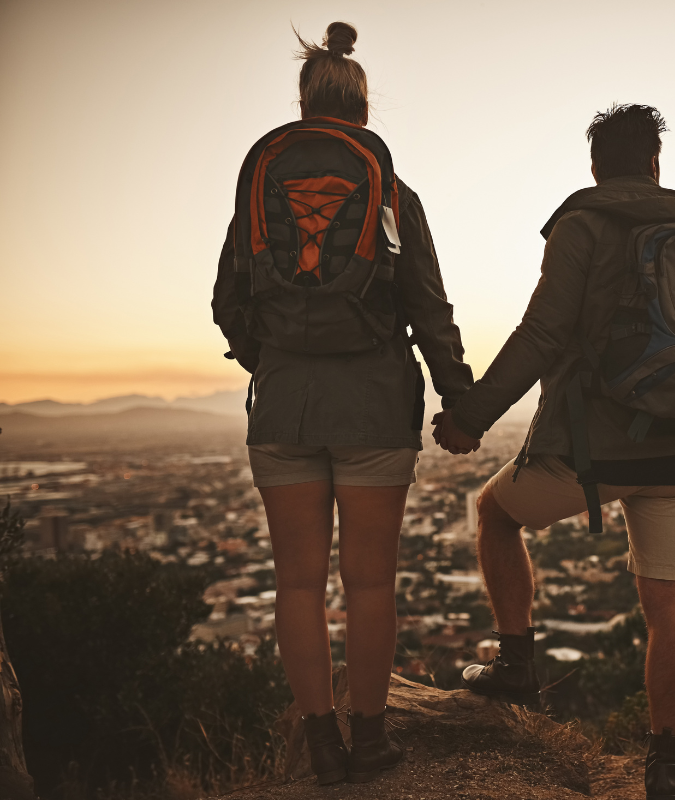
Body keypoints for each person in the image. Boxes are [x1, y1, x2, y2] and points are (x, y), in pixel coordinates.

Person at [435, 103, 675, 800]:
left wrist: (471, 417)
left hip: (593, 450)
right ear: (655, 164)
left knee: (495, 513)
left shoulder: (582, 224)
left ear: (595, 168)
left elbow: (542, 334)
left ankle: (516, 666)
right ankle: (664, 768)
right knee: (669, 601)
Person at [212, 22, 474, 785]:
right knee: (369, 582)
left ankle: (319, 742)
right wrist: (458, 402)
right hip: (373, 407)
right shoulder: (392, 191)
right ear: (362, 111)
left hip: (285, 408)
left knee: (295, 582)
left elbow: (228, 300)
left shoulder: (261, 185)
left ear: (304, 102)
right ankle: (370, 738)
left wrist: (276, 361)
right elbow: (430, 310)